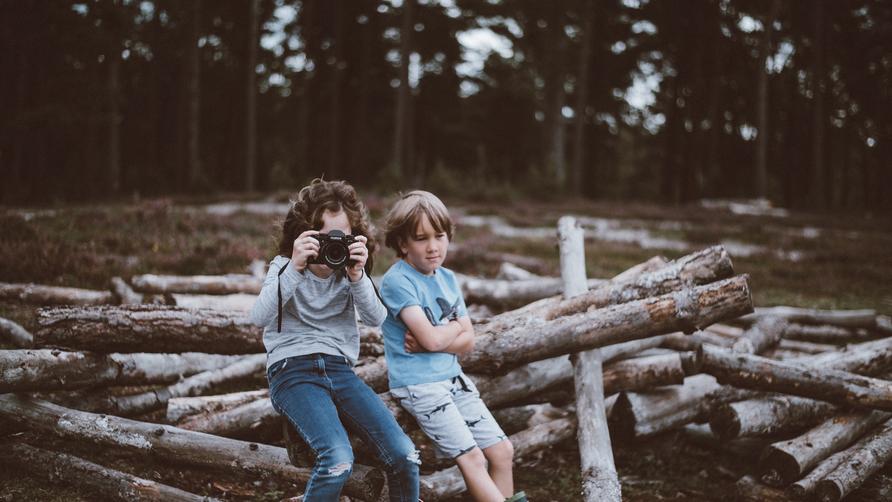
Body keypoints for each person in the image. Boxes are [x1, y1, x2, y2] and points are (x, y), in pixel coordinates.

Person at [249, 179, 420, 502]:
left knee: (405, 455)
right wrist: (296, 268)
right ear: (303, 234)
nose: (333, 247)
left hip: (340, 372)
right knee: (337, 460)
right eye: (325, 238)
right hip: (292, 372)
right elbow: (258, 317)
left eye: (341, 238)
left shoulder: (350, 274)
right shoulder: (284, 267)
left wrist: (358, 275)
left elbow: (376, 319)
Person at [380, 190, 527, 502]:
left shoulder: (446, 278)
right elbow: (438, 338)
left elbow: (467, 342)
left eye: (440, 235)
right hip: (421, 385)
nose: (433, 247)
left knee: (502, 451)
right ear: (403, 243)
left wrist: (441, 336)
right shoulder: (398, 281)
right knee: (474, 459)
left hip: (453, 379)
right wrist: (456, 326)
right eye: (421, 238)